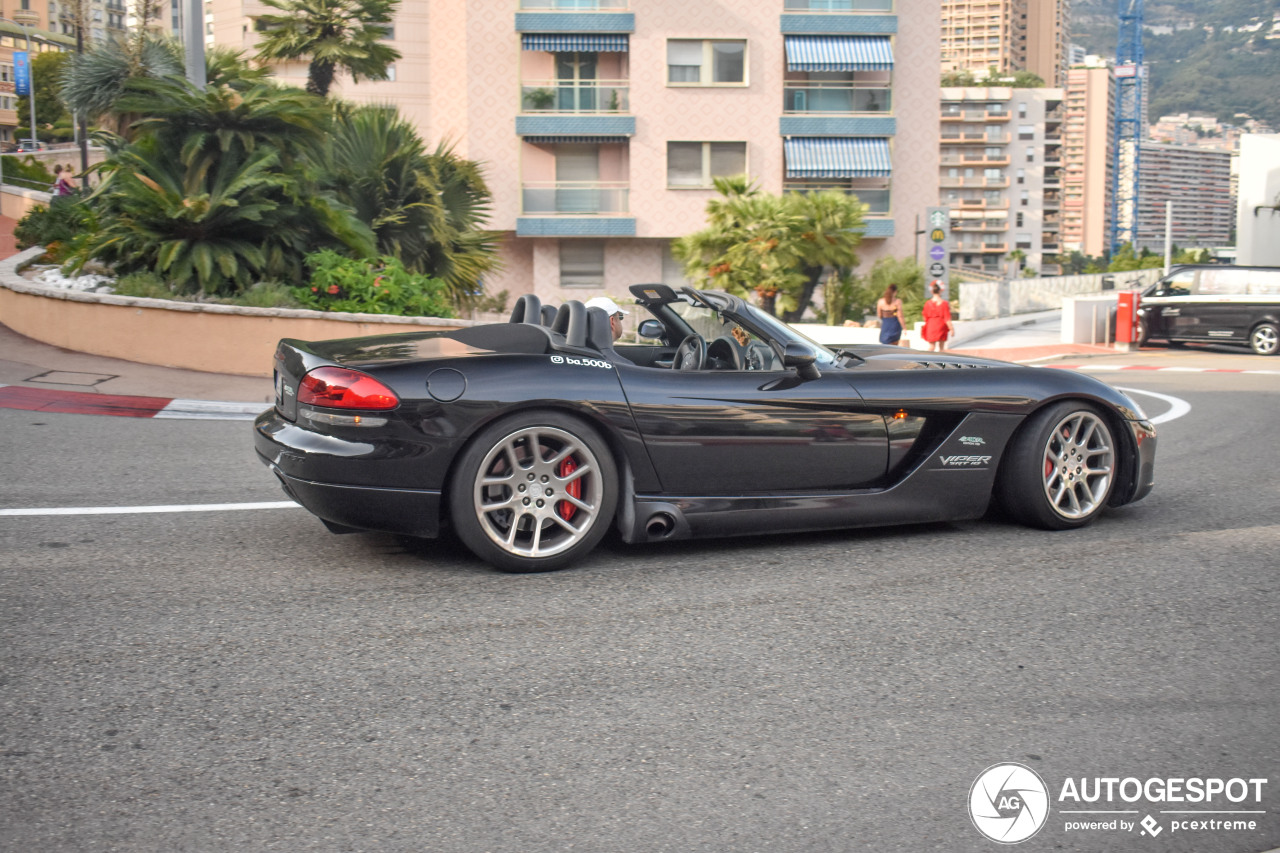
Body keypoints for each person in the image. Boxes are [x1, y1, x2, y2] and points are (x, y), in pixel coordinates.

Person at [921, 283, 956, 352]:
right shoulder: (944, 303)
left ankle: (927, 360)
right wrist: (951, 329)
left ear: (932, 292)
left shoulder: (928, 303)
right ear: (940, 291)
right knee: (941, 348)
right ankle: (941, 362)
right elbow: (947, 318)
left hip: (931, 325)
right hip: (941, 325)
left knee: (931, 347)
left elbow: (925, 317)